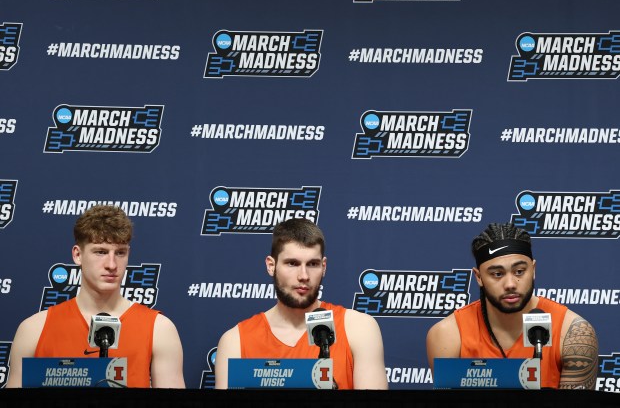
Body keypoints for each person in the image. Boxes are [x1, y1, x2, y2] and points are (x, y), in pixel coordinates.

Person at [6, 205, 185, 388]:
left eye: (120, 253)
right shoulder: (33, 329)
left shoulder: (159, 329)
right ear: (77, 255)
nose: (111, 264)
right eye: (100, 252)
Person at [214, 218, 388, 389]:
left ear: (324, 267)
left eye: (313, 264)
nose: (303, 275)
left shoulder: (358, 328)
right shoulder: (236, 341)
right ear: (271, 266)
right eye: (292, 263)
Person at [426, 222, 599, 389]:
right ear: (478, 277)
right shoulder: (448, 334)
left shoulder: (572, 333)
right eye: (497, 274)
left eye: (519, 272)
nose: (510, 284)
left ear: (533, 270)